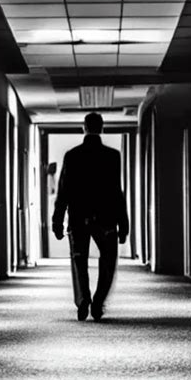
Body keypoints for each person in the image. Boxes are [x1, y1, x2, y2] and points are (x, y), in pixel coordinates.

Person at [52, 112, 129, 321]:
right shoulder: (113, 156)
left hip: (78, 218)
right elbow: (116, 191)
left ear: (84, 128)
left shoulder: (72, 155)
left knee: (79, 261)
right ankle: (98, 302)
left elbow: (64, 190)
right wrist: (124, 223)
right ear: (102, 128)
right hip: (106, 219)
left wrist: (57, 220)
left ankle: (83, 299)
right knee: (108, 260)